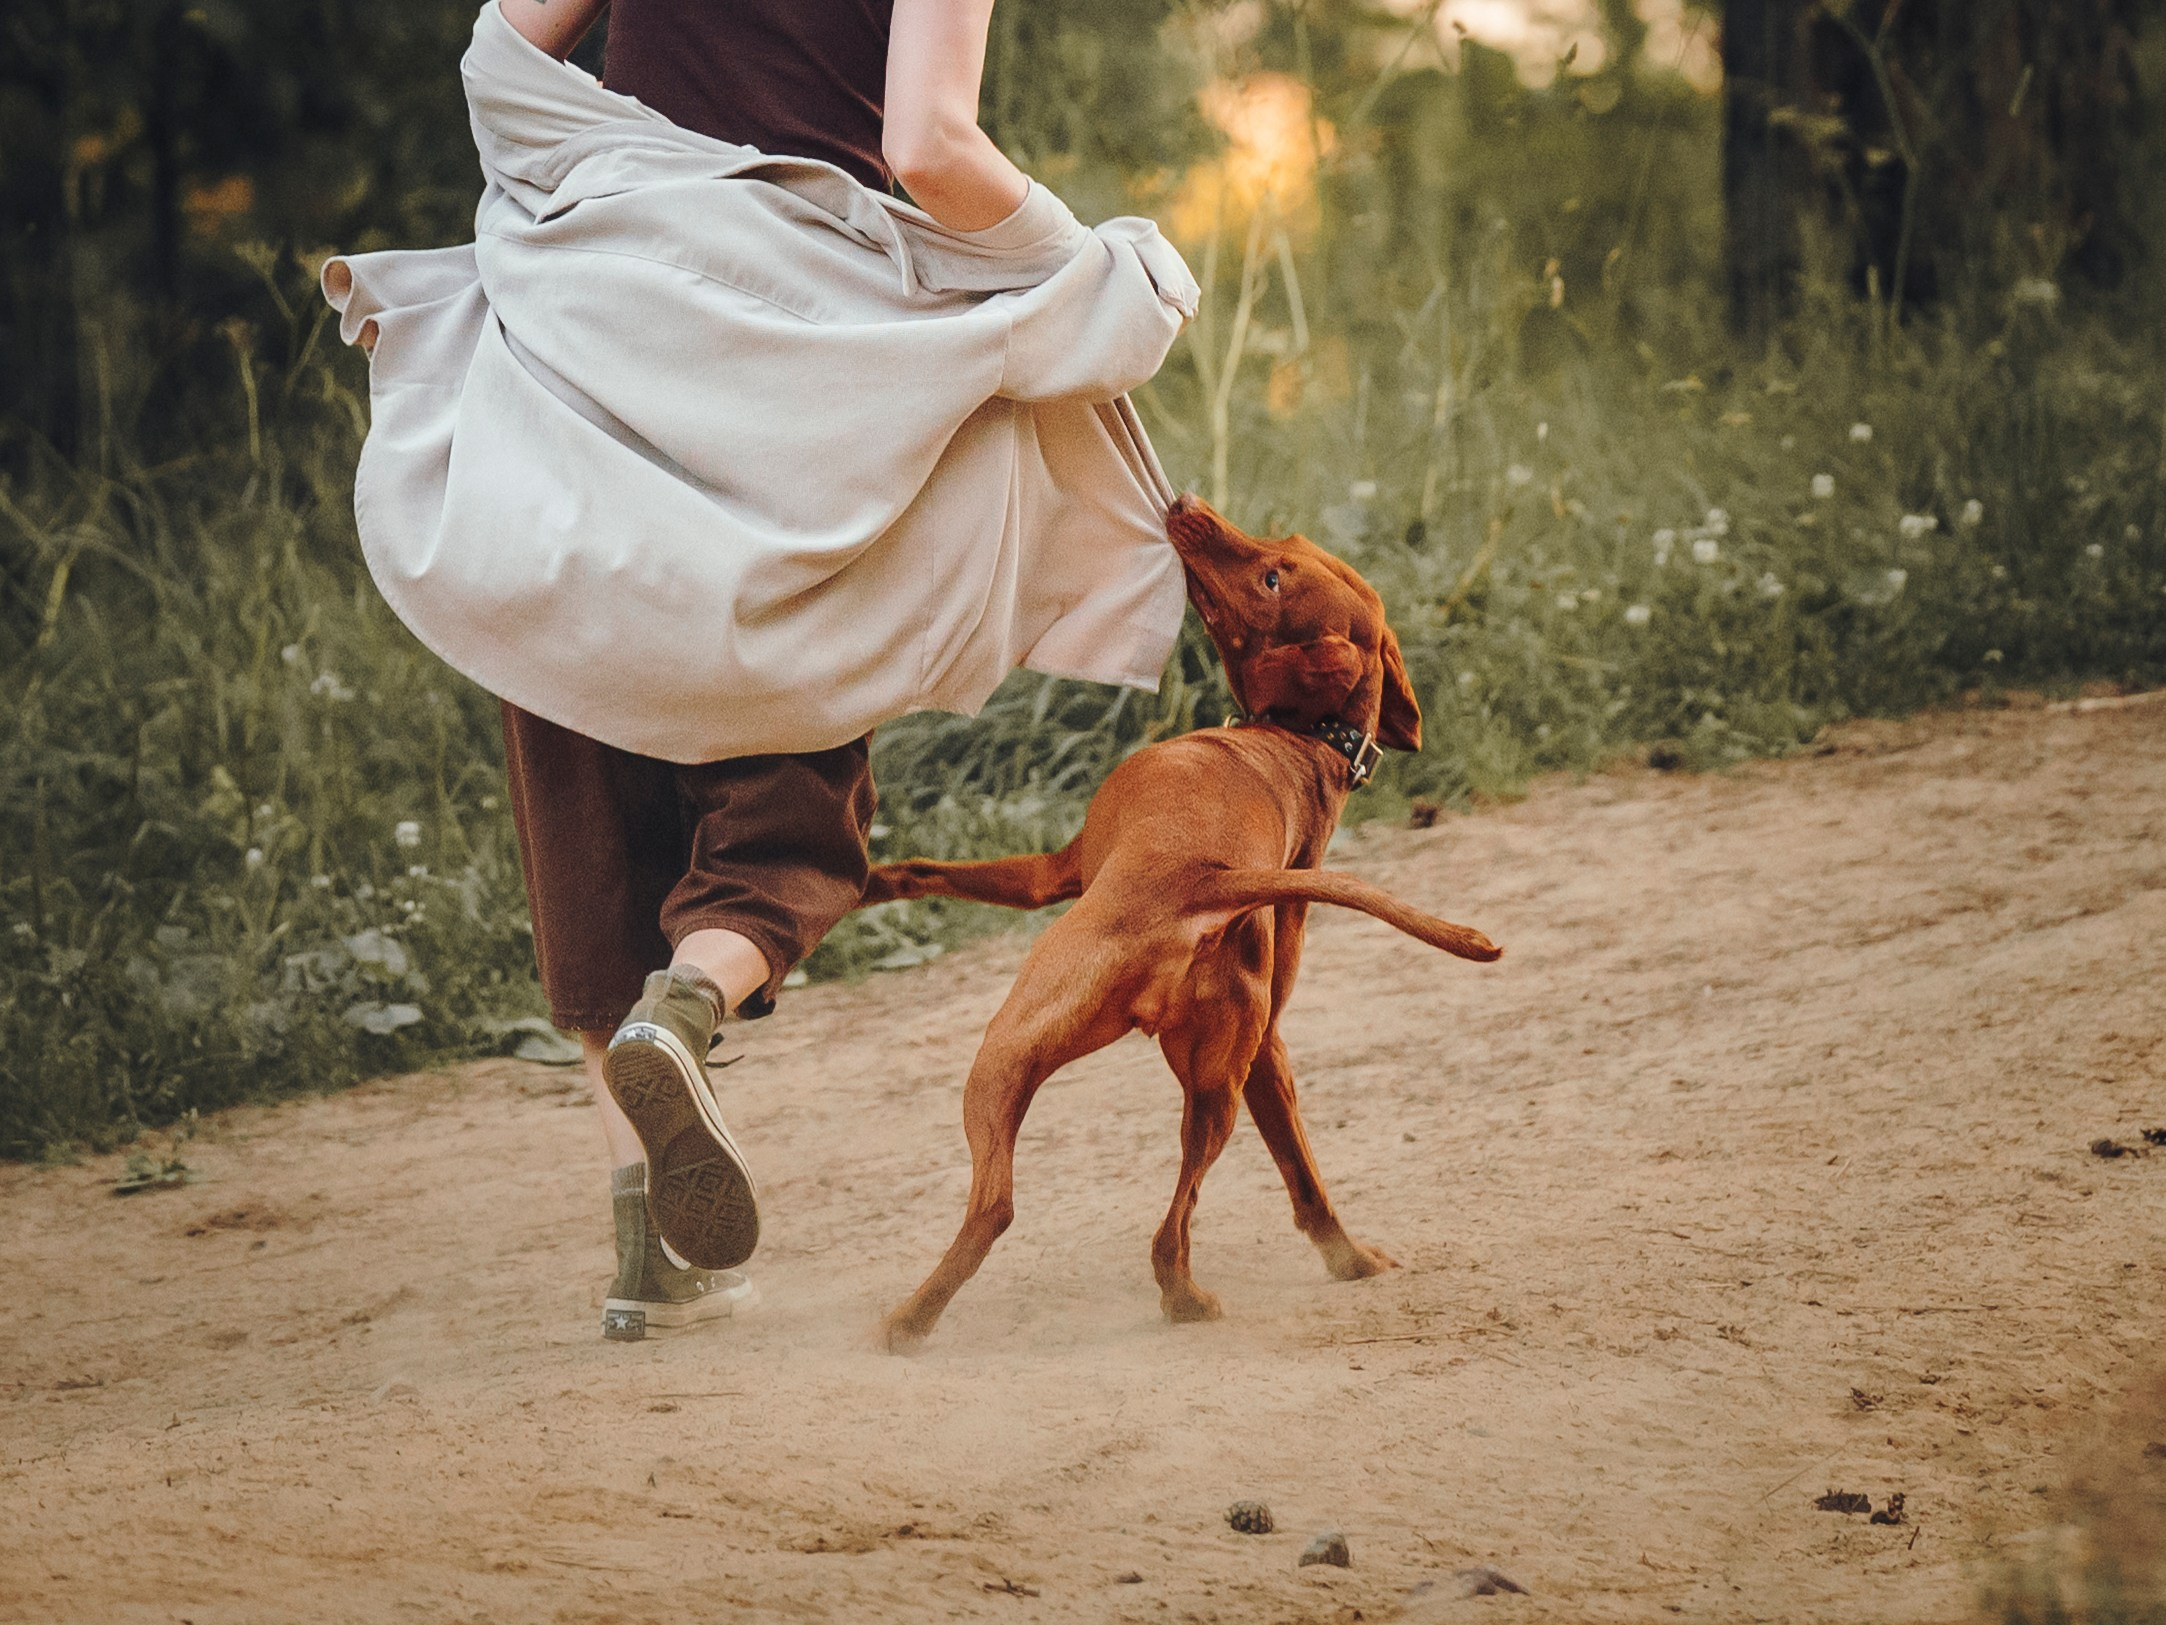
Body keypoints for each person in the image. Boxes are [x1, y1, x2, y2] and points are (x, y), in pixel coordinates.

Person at [492, 0, 1045, 1341]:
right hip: (768, 342)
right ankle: (685, 1006)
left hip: (582, 321)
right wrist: (1060, 260)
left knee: (586, 754)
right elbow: (926, 143)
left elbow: (503, 50)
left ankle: (651, 1249)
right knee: (784, 779)